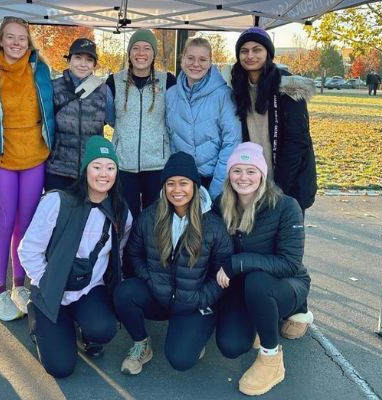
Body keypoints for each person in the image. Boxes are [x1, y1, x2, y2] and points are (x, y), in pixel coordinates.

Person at [19, 136, 132, 378]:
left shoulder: (121, 213)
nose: (104, 174)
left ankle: (82, 329)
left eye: (110, 168)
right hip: (52, 289)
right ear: (85, 170)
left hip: (88, 288)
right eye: (97, 166)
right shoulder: (56, 202)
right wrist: (46, 280)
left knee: (103, 329)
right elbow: (27, 250)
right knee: (61, 368)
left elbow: (118, 254)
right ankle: (40, 321)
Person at [114, 152, 233, 375]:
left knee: (181, 360)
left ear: (195, 186)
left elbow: (222, 271)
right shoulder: (150, 217)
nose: (177, 190)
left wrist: (200, 298)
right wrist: (150, 280)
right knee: (124, 292)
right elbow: (134, 255)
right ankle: (142, 344)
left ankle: (196, 336)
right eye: (170, 184)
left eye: (183, 183)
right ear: (163, 187)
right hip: (159, 294)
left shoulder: (213, 225)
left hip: (194, 301)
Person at [213, 142, 312, 396]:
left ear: (262, 174)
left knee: (258, 282)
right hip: (243, 285)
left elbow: (290, 263)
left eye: (250, 171)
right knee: (230, 345)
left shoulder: (286, 206)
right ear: (229, 174)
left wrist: (238, 262)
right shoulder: (220, 204)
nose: (243, 177)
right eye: (237, 170)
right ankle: (260, 320)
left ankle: (271, 359)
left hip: (286, 283)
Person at [0, 16, 55, 322]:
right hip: (2, 158)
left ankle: (19, 286)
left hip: (34, 157)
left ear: (29, 41)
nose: (15, 43)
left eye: (21, 38)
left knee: (25, 226)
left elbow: (51, 107)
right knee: (5, 223)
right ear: (0, 39)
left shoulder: (40, 69)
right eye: (9, 37)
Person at [230, 27, 317, 215]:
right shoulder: (237, 88)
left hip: (286, 184)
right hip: (250, 182)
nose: (250, 56)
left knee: (284, 243)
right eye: (244, 51)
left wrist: (279, 189)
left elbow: (297, 142)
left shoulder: (288, 89)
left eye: (256, 50)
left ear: (268, 53)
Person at [105, 29, 177, 219]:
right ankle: (126, 250)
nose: (141, 53)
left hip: (157, 164)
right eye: (136, 48)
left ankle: (151, 250)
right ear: (129, 53)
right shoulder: (113, 81)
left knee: (154, 218)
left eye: (147, 48)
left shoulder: (167, 81)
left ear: (154, 54)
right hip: (123, 163)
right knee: (126, 217)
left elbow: (173, 118)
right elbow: (111, 118)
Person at [165, 35, 241, 200]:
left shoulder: (223, 95)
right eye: (190, 58)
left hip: (213, 179)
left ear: (210, 61)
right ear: (182, 59)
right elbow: (170, 137)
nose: (196, 64)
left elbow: (231, 142)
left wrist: (216, 189)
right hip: (183, 180)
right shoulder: (171, 95)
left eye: (202, 59)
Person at [44, 38, 115, 191]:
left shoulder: (103, 91)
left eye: (89, 60)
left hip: (91, 170)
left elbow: (115, 122)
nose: (83, 64)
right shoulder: (53, 87)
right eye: (78, 58)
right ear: (69, 60)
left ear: (94, 64)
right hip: (57, 170)